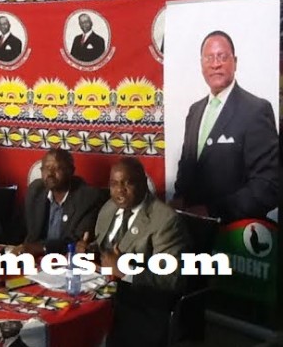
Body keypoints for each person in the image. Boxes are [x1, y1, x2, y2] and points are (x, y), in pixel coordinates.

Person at [78, 157, 188, 347]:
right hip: (99, 292)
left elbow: (173, 277)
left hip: (140, 305)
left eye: (127, 183)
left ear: (144, 183)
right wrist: (89, 250)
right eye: (114, 184)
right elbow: (104, 245)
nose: (120, 190)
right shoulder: (109, 208)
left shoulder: (165, 220)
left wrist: (125, 270)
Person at [172, 30, 279, 224]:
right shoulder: (194, 112)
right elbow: (187, 166)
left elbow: (268, 185)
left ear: (235, 62)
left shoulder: (256, 110)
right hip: (191, 231)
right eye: (209, 58)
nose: (215, 64)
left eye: (222, 57)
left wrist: (213, 211)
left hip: (235, 234)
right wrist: (178, 200)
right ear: (201, 64)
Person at [12, 149, 105, 256]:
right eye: (47, 168)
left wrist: (41, 248)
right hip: (35, 260)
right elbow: (21, 232)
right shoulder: (35, 191)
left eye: (57, 168)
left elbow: (75, 243)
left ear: (71, 171)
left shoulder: (87, 198)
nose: (50, 173)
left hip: (66, 261)